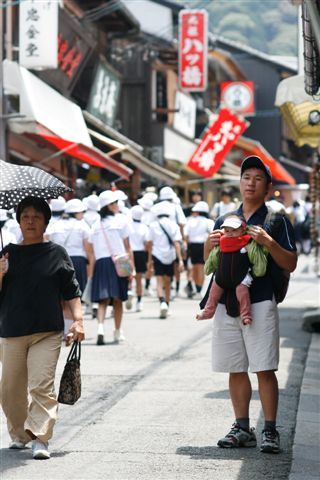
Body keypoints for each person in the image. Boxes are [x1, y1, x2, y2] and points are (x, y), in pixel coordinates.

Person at [203, 156, 297, 454]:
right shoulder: (224, 220)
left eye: (257, 178)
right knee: (235, 367)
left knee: (264, 366)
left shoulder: (275, 220)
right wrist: (210, 243)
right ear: (239, 183)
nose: (250, 182)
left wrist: (269, 243)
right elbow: (210, 263)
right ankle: (242, 427)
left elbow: (291, 263)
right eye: (246, 177)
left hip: (259, 300)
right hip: (226, 301)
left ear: (268, 187)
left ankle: (269, 429)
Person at [0, 196, 84, 460]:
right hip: (12, 330)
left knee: (40, 385)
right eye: (25, 216)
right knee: (10, 389)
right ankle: (19, 434)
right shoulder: (6, 254)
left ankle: (40, 437)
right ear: (18, 221)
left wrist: (78, 320)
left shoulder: (56, 252)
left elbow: (72, 291)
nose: (30, 221)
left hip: (47, 331)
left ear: (46, 222)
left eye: (37, 216)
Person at [196, 214, 268, 325]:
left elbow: (257, 258)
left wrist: (258, 270)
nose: (230, 233)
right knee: (213, 294)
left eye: (234, 230)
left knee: (243, 294)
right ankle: (208, 312)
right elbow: (213, 258)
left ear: (243, 230)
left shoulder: (248, 244)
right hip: (221, 276)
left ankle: (246, 315)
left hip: (241, 276)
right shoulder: (221, 243)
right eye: (227, 231)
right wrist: (208, 267)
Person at [90, 190, 134, 345]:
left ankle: (100, 328)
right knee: (118, 299)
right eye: (114, 203)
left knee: (102, 300)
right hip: (119, 261)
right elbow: (128, 247)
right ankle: (117, 331)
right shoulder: (121, 221)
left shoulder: (96, 224)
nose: (117, 205)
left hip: (101, 263)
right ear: (107, 206)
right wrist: (131, 269)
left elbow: (92, 250)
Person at [147, 201, 184, 319]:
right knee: (168, 281)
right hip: (171, 255)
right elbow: (177, 243)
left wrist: (149, 260)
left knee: (159, 281)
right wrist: (180, 260)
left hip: (157, 255)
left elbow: (150, 243)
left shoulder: (153, 225)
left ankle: (162, 302)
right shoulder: (174, 225)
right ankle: (166, 305)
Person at [184, 201, 213, 299]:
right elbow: (212, 233)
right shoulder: (208, 221)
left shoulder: (190, 221)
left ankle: (197, 289)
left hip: (192, 246)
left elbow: (186, 235)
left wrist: (187, 248)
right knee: (201, 268)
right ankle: (199, 291)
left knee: (195, 268)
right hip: (203, 245)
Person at [129, 205, 150, 312]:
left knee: (127, 277)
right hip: (140, 253)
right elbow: (147, 243)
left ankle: (128, 292)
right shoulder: (144, 227)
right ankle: (139, 302)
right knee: (138, 279)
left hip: (129, 253)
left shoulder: (127, 225)